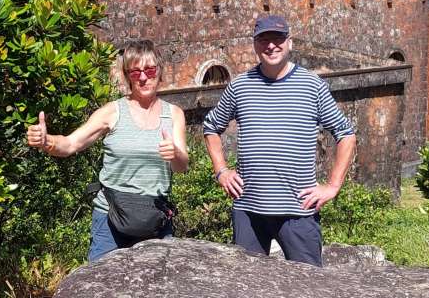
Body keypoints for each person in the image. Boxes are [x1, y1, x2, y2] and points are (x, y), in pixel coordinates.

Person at [202, 14, 356, 266]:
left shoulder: (312, 86)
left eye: (278, 38)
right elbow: (211, 126)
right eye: (264, 39)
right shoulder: (240, 86)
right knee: (246, 286)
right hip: (249, 209)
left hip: (298, 210)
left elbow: (345, 133)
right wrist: (221, 171)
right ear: (254, 44)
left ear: (290, 43)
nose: (271, 45)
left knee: (307, 285)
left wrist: (333, 186)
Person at [26, 39, 189, 261]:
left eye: (150, 70)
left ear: (159, 71)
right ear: (127, 76)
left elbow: (181, 167)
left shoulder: (174, 114)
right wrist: (47, 142)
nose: (143, 77)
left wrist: (175, 154)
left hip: (155, 219)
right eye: (135, 72)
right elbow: (71, 144)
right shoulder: (112, 112)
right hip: (111, 218)